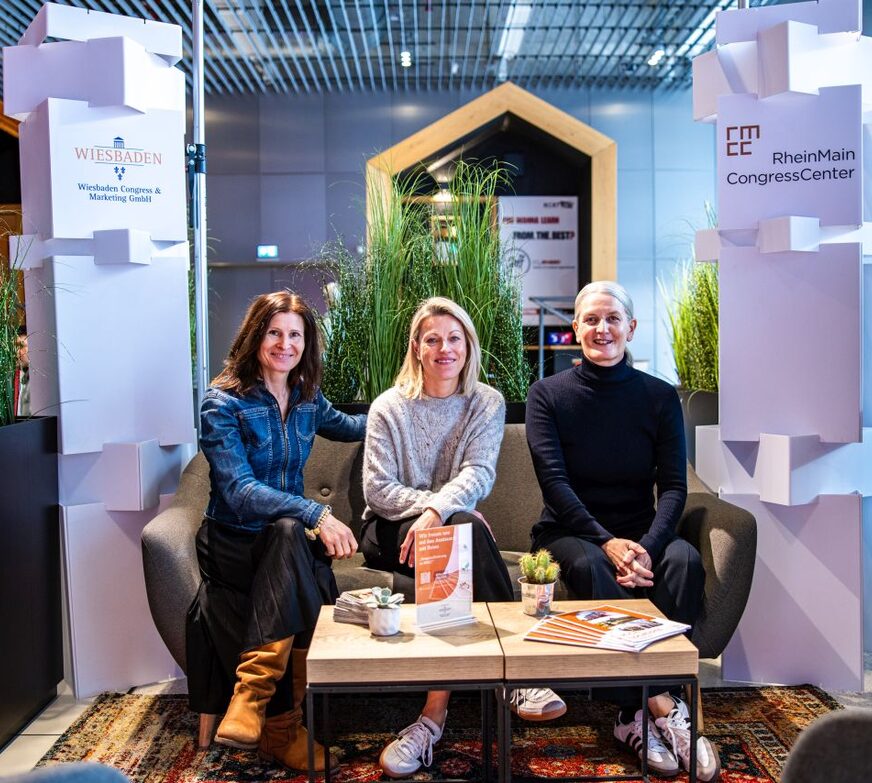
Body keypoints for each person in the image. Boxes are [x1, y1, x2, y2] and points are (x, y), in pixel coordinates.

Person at [362, 296, 566, 779]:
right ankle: (518, 676)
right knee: (462, 529)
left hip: (446, 530)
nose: (444, 348)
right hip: (389, 531)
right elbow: (378, 489)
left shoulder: (486, 402)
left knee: (458, 534)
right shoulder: (389, 406)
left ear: (468, 346)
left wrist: (440, 511)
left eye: (454, 338)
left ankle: (432, 718)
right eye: (432, 339)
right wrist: (437, 508)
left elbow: (479, 473)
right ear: (416, 347)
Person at [525, 281, 720, 782]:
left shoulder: (658, 397)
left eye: (612, 318)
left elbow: (674, 487)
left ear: (631, 327)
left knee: (686, 560)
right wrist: (608, 544)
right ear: (575, 330)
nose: (602, 328)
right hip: (570, 531)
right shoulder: (547, 395)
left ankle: (631, 713)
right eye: (590, 319)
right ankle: (656, 708)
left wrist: (648, 547)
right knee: (591, 565)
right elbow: (555, 486)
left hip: (639, 532)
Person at [187, 290, 366, 772]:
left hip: (282, 541)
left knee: (289, 535)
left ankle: (258, 704)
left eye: (295, 335)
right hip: (234, 543)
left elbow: (354, 426)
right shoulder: (222, 402)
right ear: (255, 336)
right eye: (274, 333)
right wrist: (317, 514)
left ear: (306, 344)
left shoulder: (307, 399)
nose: (285, 344)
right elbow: (240, 490)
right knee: (292, 531)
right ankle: (277, 720)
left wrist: (409, 406)